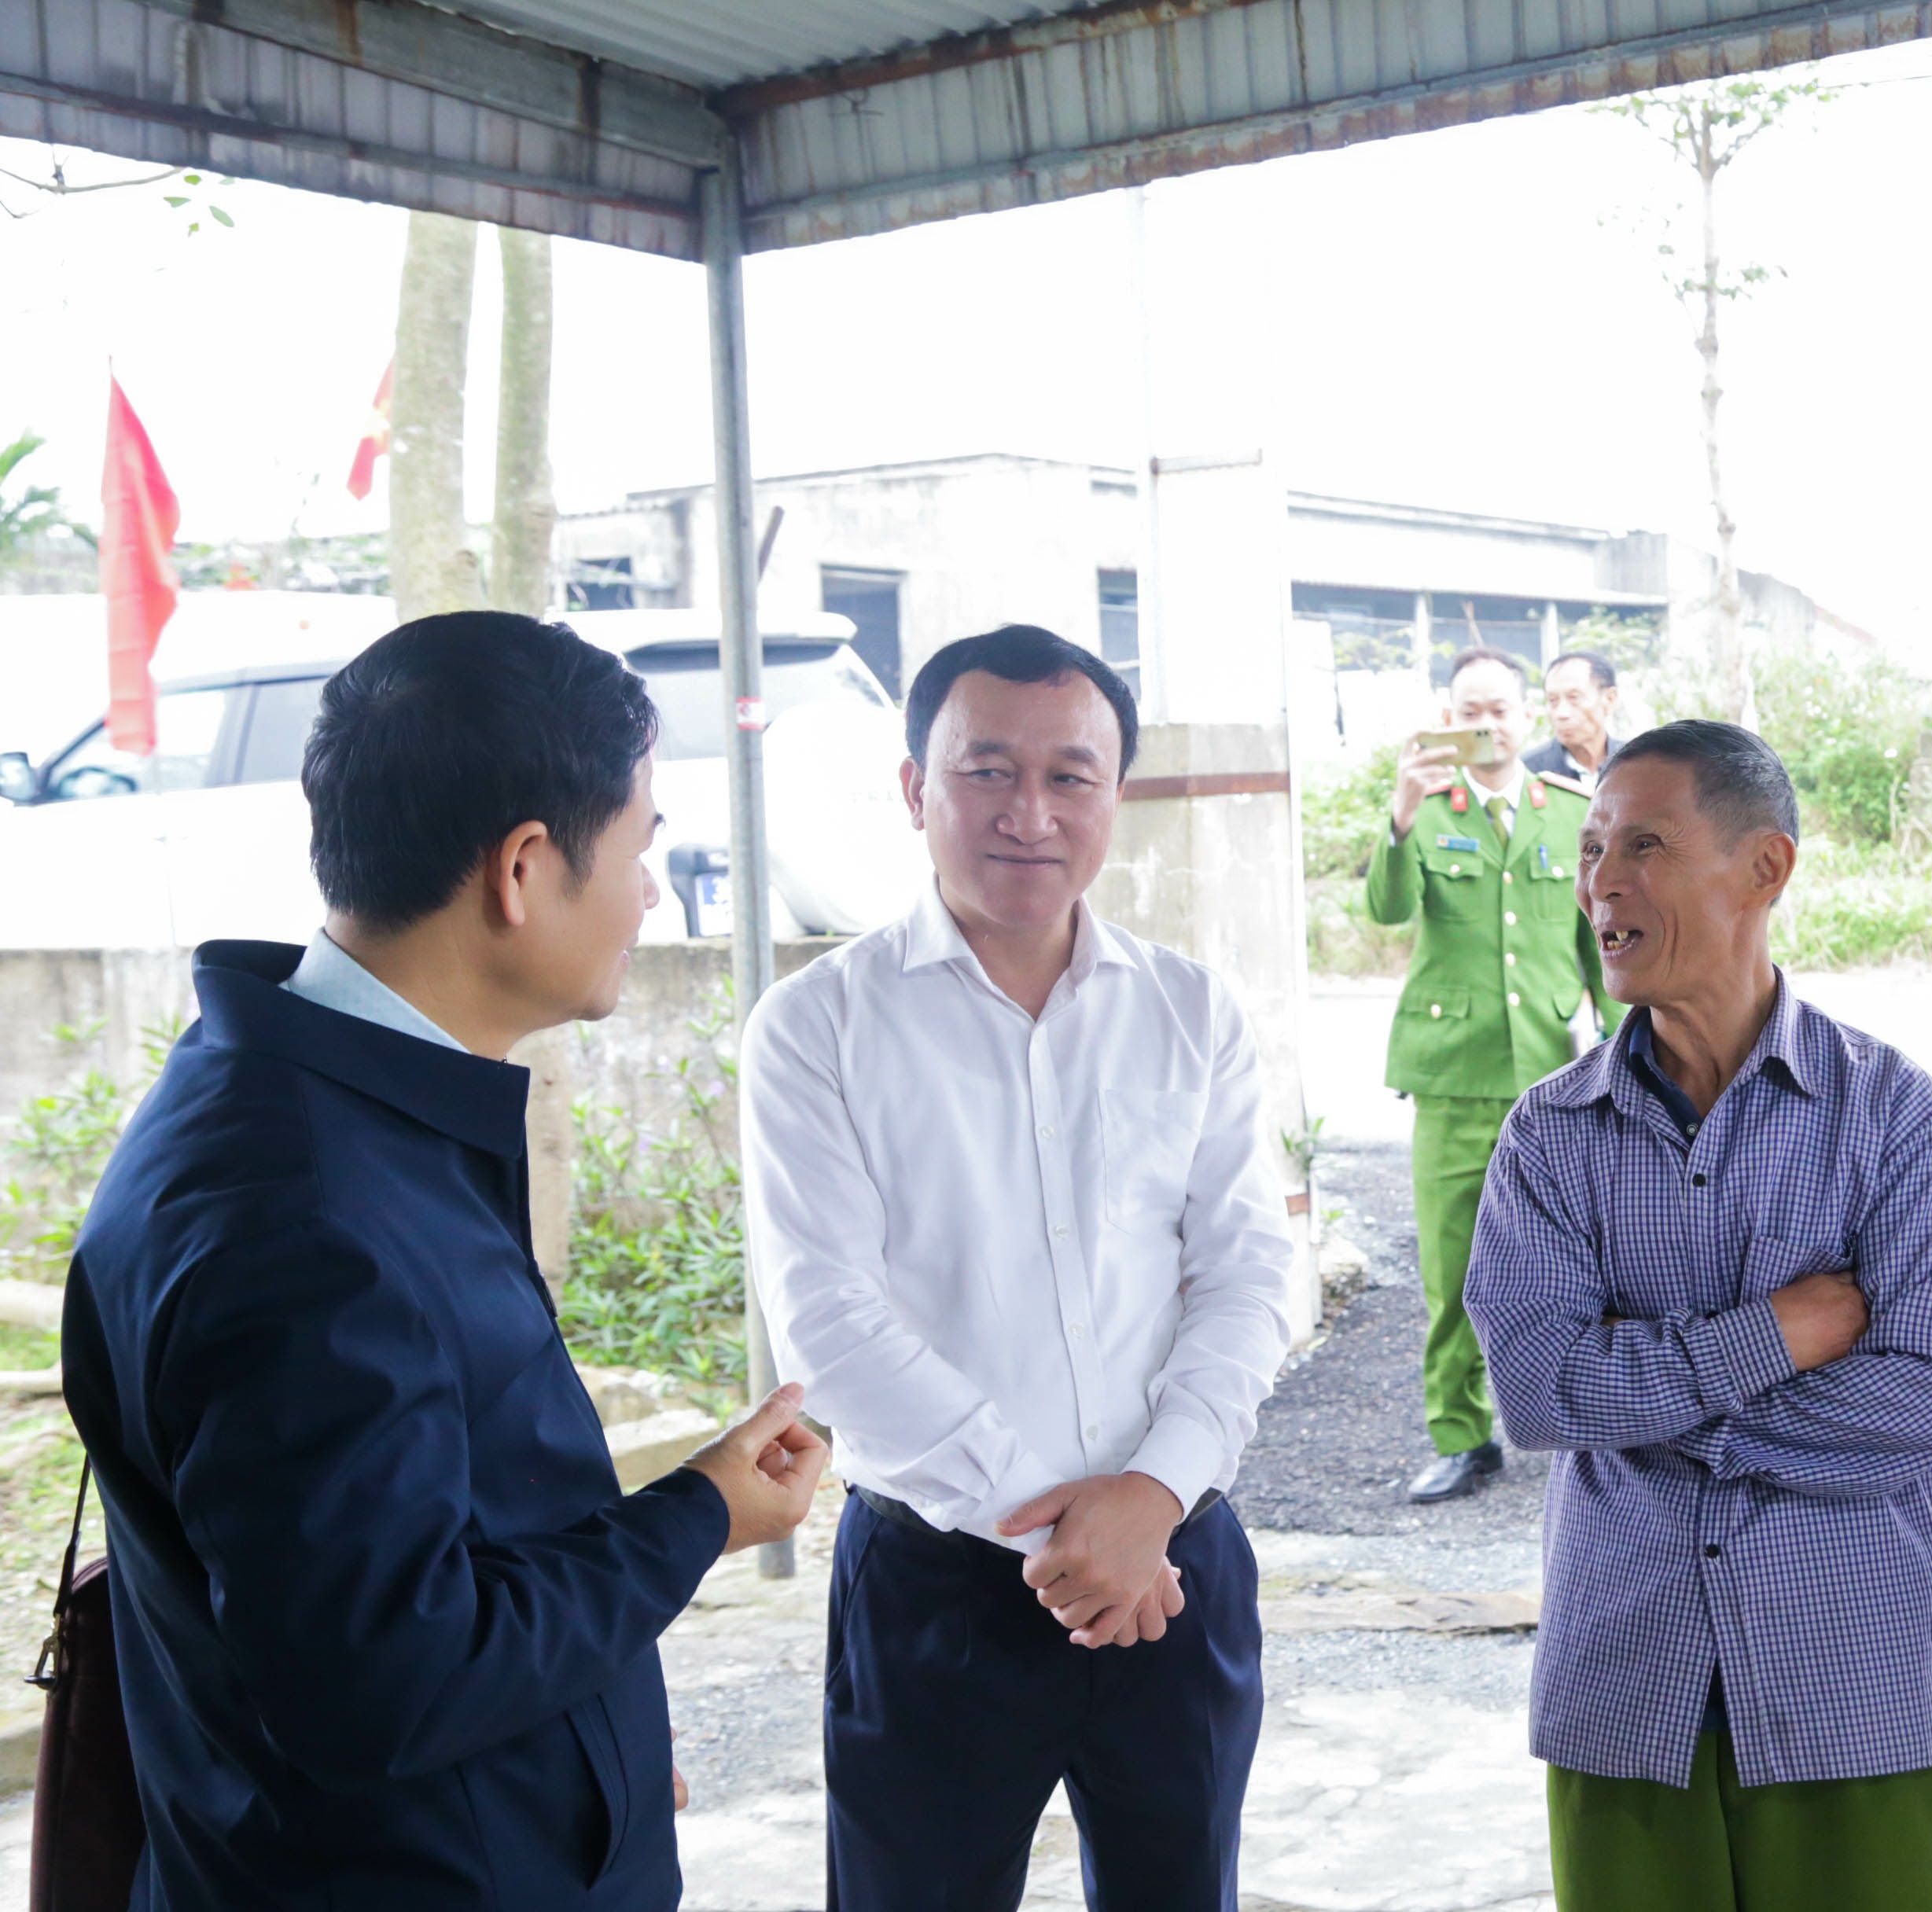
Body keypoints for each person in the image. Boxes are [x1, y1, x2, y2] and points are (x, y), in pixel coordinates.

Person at [57, 612, 827, 1911]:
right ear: (523, 868)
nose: (649, 892)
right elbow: (387, 1681)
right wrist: (700, 1515)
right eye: (638, 848)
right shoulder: (306, 1218)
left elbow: (420, 1557)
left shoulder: (318, 1101)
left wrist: (584, 1757)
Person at [739, 623, 1295, 1911]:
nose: (1028, 813)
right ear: (913, 787)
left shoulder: (1191, 1011)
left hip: (1175, 1564)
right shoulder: (818, 1025)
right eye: (986, 770)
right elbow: (829, 1320)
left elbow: (1246, 1272)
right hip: (941, 1583)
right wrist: (1074, 1535)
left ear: (1115, 793)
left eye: (1069, 776)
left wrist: (1150, 1495)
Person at [1465, 720, 1932, 1912]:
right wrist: (1778, 1337)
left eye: (1643, 844)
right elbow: (1538, 1396)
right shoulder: (1548, 1136)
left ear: (1765, 868)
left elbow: (1919, 1401)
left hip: (1852, 1680)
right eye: (1592, 848)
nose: (1602, 881)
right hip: (1625, 1683)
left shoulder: (1895, 1117)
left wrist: (1641, 1405)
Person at [1367, 645, 1619, 1502]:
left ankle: (1589, 1418)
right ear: (1449, 719)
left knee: (1581, 1262)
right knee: (1453, 1270)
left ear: (1526, 716)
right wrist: (1400, 817)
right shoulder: (1427, 812)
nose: (1486, 725)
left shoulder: (1571, 813)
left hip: (1554, 1077)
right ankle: (1462, 1435)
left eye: (1500, 709)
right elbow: (1388, 909)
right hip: (1454, 1077)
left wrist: (1630, 1047)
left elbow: (1602, 942)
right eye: (1469, 712)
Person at [1523, 649, 1621, 789]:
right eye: (1553, 700)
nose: (1561, 713)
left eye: (1574, 698)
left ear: (1610, 699)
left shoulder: (1636, 763)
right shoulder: (1529, 773)